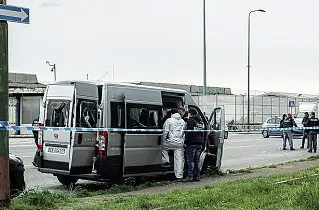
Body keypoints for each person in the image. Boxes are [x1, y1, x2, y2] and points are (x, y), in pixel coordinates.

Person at [162, 108, 186, 181]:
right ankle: (179, 176)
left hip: (170, 141)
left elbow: (165, 131)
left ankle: (166, 161)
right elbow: (184, 132)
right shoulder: (183, 121)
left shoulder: (169, 120)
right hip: (180, 142)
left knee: (162, 148)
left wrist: (163, 140)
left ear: (171, 114)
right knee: (179, 159)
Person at [185, 108, 204, 182]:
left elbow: (189, 133)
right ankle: (197, 175)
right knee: (197, 160)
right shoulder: (200, 122)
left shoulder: (190, 121)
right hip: (199, 143)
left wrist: (186, 142)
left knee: (190, 160)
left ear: (190, 113)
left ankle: (190, 176)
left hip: (192, 143)